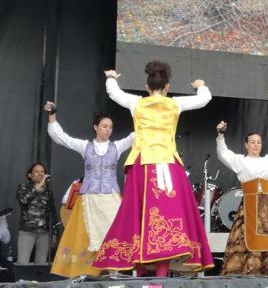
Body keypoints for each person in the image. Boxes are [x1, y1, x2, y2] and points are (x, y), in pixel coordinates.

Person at [92, 62, 214, 276]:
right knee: (169, 219)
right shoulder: (175, 104)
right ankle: (159, 279)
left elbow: (114, 93)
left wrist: (111, 77)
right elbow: (204, 99)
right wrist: (200, 85)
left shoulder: (137, 103)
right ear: (167, 86)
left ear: (147, 86)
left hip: (143, 166)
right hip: (168, 165)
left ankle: (141, 276)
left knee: (138, 217)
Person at [44, 102, 134, 277]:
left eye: (110, 127)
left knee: (113, 234)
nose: (108, 130)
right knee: (88, 235)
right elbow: (61, 137)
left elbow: (136, 135)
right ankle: (87, 275)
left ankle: (114, 274)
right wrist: (53, 114)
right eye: (104, 126)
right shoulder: (85, 146)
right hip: (90, 198)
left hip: (110, 198)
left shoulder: (117, 146)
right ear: (96, 127)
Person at [216, 121, 268, 276]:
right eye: (252, 142)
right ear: (246, 145)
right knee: (243, 241)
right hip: (248, 208)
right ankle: (247, 274)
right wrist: (221, 135)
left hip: (266, 208)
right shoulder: (241, 161)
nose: (256, 145)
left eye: (259, 142)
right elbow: (224, 154)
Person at [16, 163, 57, 265]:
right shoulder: (23, 187)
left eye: (42, 172)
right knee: (23, 262)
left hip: (44, 232)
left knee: (41, 264)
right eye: (37, 172)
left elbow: (53, 211)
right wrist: (39, 184)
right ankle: (22, 281)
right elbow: (24, 200)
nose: (40, 174)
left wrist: (55, 232)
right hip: (27, 230)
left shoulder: (48, 191)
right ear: (30, 175)